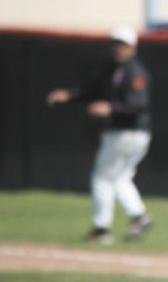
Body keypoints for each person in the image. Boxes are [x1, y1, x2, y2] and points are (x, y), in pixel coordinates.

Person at [46, 26, 154, 245]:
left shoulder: (134, 72)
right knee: (120, 177)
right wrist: (69, 95)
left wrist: (111, 109)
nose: (117, 48)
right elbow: (90, 91)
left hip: (128, 132)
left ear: (133, 48)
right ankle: (138, 216)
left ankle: (102, 229)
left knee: (102, 178)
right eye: (115, 43)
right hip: (125, 133)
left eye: (122, 44)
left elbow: (139, 104)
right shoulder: (111, 69)